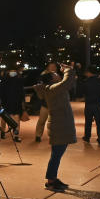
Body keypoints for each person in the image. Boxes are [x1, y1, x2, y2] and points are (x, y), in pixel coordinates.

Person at [32, 63, 76, 191]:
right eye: (56, 74)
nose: (58, 74)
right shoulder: (52, 89)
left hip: (60, 123)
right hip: (58, 124)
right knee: (56, 155)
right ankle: (51, 181)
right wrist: (68, 70)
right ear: (52, 79)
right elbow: (67, 82)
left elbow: (66, 83)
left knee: (57, 154)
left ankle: (53, 179)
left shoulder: (51, 88)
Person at [79, 66, 100, 145]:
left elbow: (82, 92)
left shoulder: (85, 82)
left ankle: (87, 137)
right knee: (99, 123)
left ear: (89, 72)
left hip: (89, 104)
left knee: (88, 122)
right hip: (98, 104)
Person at [0, 65, 26, 141]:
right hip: (8, 101)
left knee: (14, 118)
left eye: (14, 71)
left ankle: (15, 135)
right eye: (11, 71)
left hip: (14, 102)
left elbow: (21, 91)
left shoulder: (17, 79)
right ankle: (3, 132)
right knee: (5, 118)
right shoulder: (7, 79)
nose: (12, 73)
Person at [34, 62, 58, 142]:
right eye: (51, 66)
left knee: (53, 122)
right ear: (47, 68)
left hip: (55, 103)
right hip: (45, 103)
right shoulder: (43, 76)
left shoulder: (58, 77)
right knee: (41, 120)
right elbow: (40, 87)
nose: (53, 68)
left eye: (54, 66)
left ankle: (52, 136)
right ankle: (38, 135)